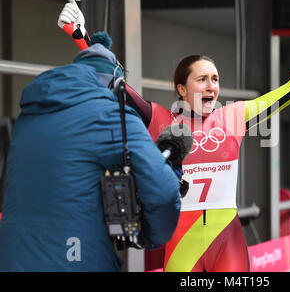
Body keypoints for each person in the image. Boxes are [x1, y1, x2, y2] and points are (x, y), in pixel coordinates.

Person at [58, 0, 290, 272]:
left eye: (215, 78)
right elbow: (118, 86)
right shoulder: (160, 118)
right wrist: (81, 37)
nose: (212, 86)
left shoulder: (234, 116)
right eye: (202, 80)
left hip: (228, 238)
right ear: (182, 89)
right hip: (181, 240)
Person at [0, 34, 181, 271]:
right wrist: (152, 237)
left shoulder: (29, 117)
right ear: (117, 85)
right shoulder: (112, 116)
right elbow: (164, 190)